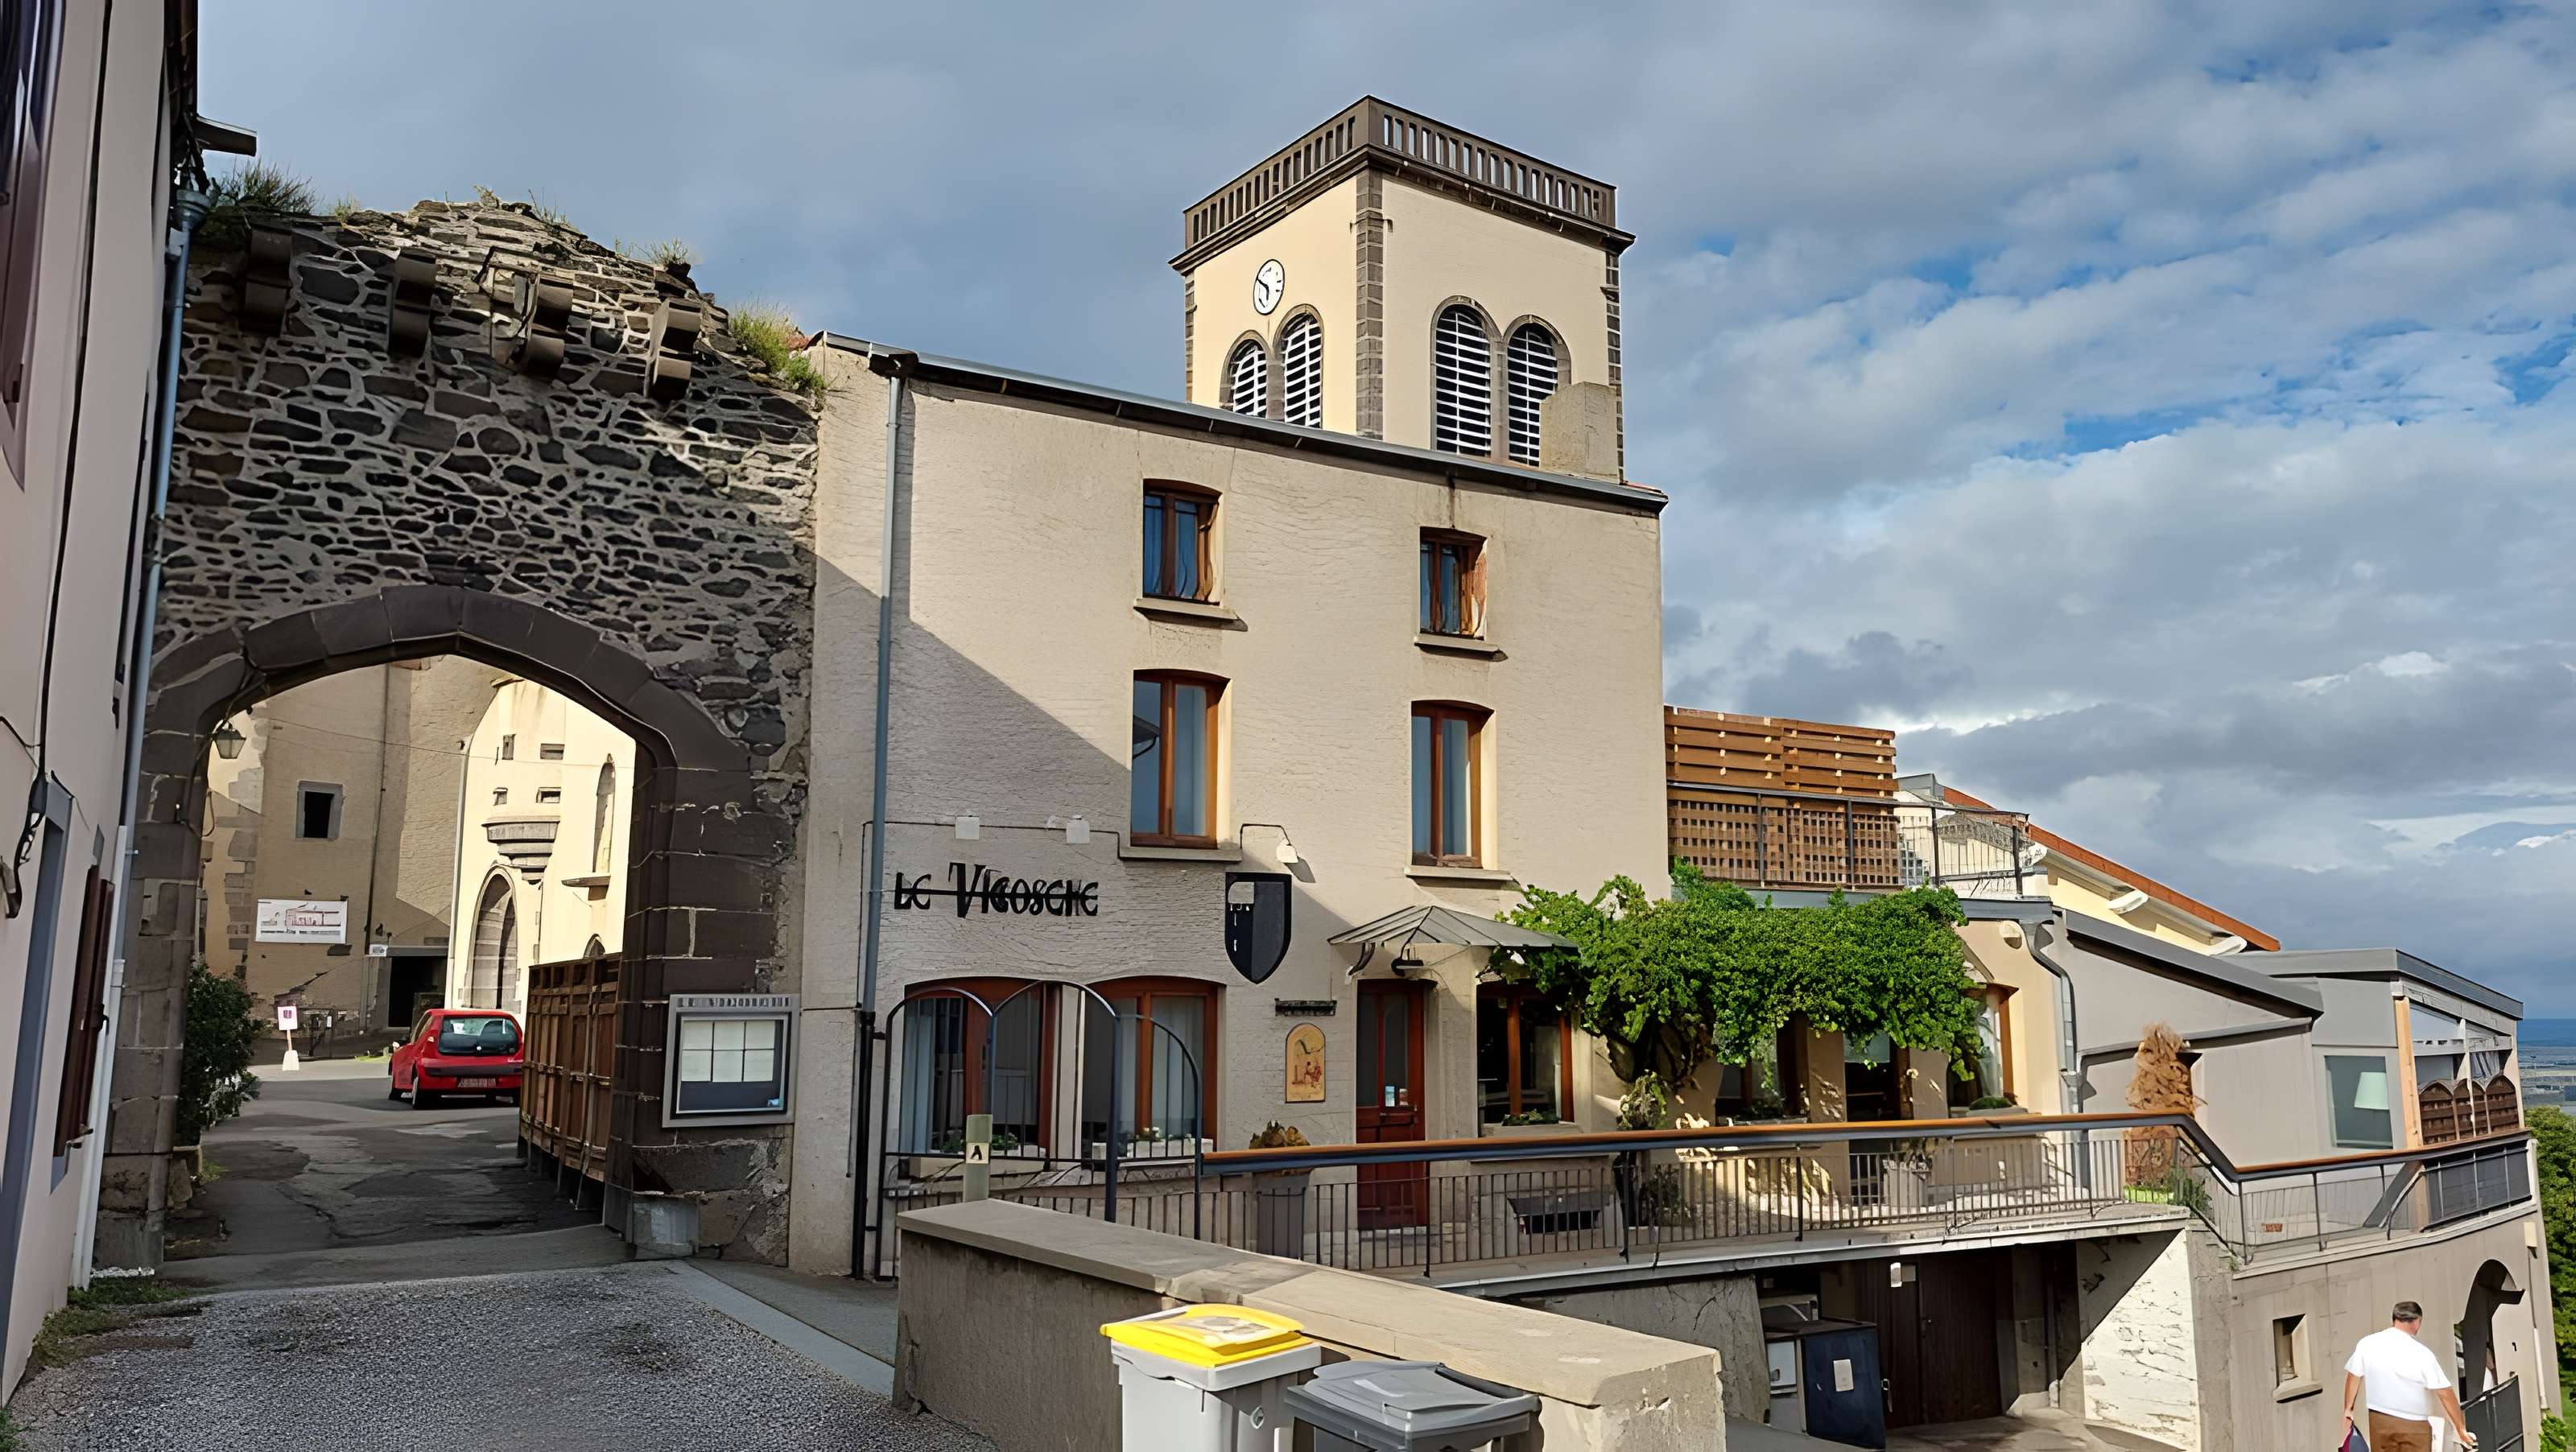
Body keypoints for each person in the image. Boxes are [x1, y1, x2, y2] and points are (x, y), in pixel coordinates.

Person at [2343, 1301, 2476, 1450]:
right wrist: (2460, 1428)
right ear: (2417, 1321)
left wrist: (2348, 1410)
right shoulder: (2422, 1354)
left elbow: (2354, 1375)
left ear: (2394, 1319)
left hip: (2379, 1420)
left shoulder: (2367, 1344)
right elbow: (2445, 1393)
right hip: (2414, 1424)